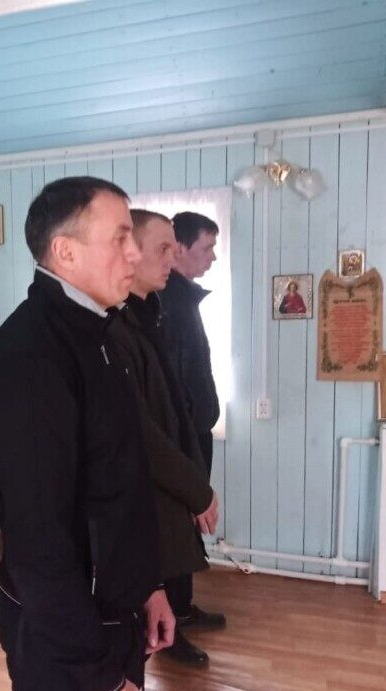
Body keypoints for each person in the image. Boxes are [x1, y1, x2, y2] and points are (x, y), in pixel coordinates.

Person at [0, 177, 174, 691]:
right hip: (63, 630)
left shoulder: (99, 332)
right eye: (120, 238)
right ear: (65, 252)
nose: (134, 254)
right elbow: (39, 540)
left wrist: (148, 585)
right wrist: (98, 679)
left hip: (110, 609)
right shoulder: (31, 358)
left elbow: (118, 484)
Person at [112, 210, 220, 691]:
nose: (171, 259)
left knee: (136, 624)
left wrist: (192, 480)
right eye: (163, 248)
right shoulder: (112, 326)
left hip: (155, 492)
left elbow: (171, 405)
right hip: (130, 503)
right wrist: (195, 489)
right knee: (120, 629)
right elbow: (140, 431)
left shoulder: (145, 313)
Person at [158, 211, 227, 660]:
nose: (213, 257)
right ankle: (167, 629)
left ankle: (181, 609)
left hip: (193, 434)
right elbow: (170, 388)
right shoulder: (164, 304)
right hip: (178, 440)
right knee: (173, 531)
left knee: (186, 529)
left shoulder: (182, 300)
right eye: (207, 247)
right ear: (178, 249)